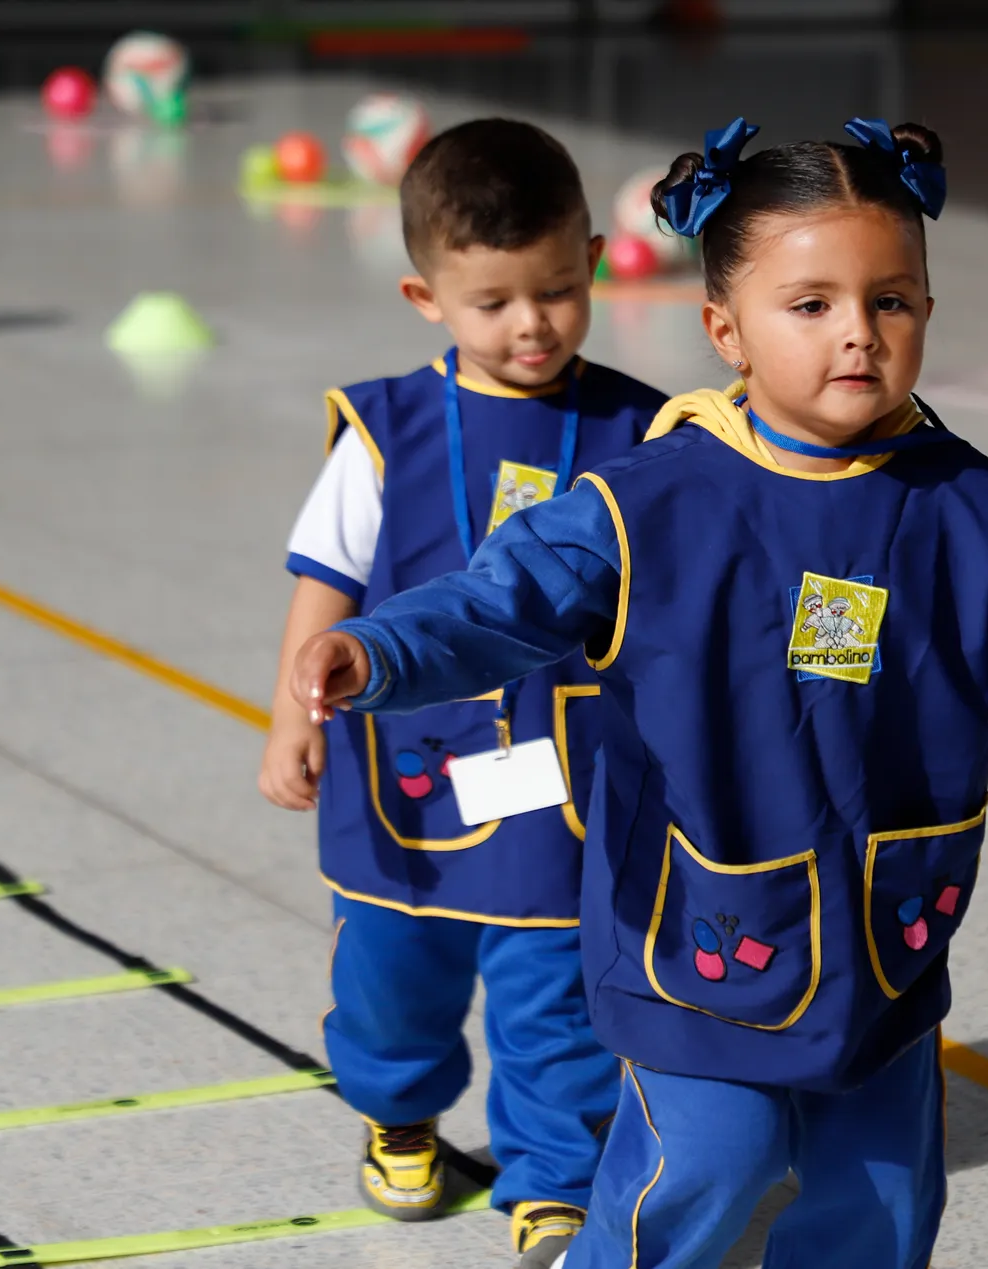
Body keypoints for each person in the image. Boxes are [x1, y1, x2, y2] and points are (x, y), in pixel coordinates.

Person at [288, 116, 988, 1269]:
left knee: (883, 1203)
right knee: (702, 1168)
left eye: (891, 301)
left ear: (929, 312)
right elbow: (501, 600)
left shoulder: (974, 504)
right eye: (812, 306)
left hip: (886, 937)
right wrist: (379, 650)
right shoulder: (651, 499)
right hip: (704, 939)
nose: (858, 334)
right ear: (724, 329)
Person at [257, 118, 665, 1269]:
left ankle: (555, 1178)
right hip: (401, 774)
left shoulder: (642, 431)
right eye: (492, 302)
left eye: (553, 289)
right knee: (392, 981)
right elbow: (324, 586)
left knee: (557, 989)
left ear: (592, 259)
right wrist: (293, 721)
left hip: (561, 777)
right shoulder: (381, 434)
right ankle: (398, 1113)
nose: (530, 324)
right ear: (424, 295)